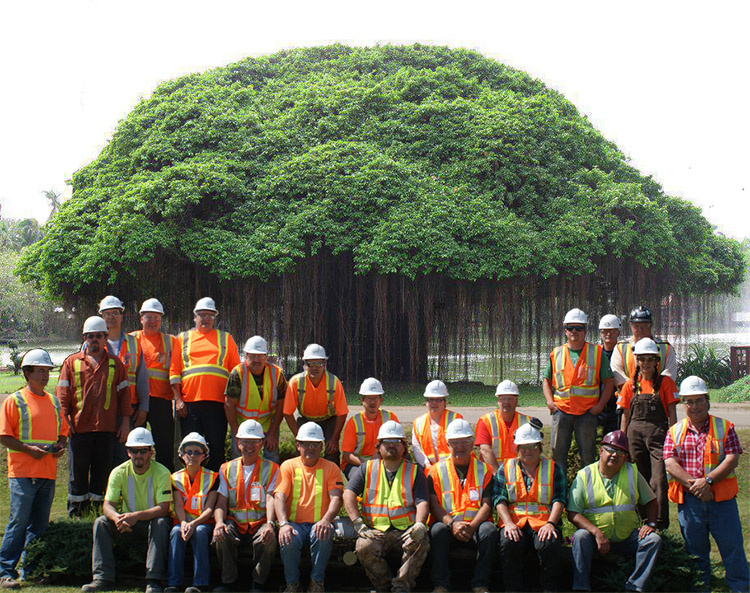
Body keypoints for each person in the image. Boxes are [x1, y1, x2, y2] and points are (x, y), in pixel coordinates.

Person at [663, 375, 749, 593]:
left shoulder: (725, 427)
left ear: (708, 400)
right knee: (695, 550)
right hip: (691, 502)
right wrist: (698, 487)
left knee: (732, 548)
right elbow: (670, 463)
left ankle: (741, 587)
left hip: (722, 501)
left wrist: (708, 481)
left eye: (699, 400)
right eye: (689, 401)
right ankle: (701, 587)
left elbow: (732, 459)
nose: (694, 406)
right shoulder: (674, 431)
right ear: (684, 404)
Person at [0, 349, 67, 590]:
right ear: (27, 373)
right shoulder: (15, 400)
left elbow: (63, 433)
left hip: (47, 472)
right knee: (18, 522)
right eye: (40, 371)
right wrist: (29, 450)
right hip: (22, 473)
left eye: (47, 371)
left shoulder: (53, 402)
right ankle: (5, 571)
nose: (45, 376)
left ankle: (31, 569)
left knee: (39, 524)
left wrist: (60, 446)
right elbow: (4, 437)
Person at [568, 430, 661, 593]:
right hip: (595, 539)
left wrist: (651, 524)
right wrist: (596, 532)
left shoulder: (632, 472)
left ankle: (634, 587)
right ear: (601, 450)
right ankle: (581, 587)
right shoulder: (585, 475)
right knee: (580, 537)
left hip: (628, 537)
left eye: (621, 452)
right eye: (611, 450)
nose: (615, 455)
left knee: (652, 540)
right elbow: (573, 513)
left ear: (625, 457)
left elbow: (651, 500)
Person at [344, 420, 430, 593]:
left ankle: (401, 587)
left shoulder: (414, 471)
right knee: (363, 546)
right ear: (379, 446)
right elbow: (348, 493)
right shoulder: (366, 469)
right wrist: (357, 522)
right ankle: (384, 587)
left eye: (397, 442)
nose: (392, 446)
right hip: (375, 531)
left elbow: (422, 501)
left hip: (406, 531)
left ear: (404, 447)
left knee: (421, 542)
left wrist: (420, 524)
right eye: (387, 442)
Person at [57, 316, 131, 516]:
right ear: (84, 338)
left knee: (101, 473)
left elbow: (125, 397)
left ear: (106, 338)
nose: (94, 340)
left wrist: (125, 422)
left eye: (99, 336)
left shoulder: (115, 364)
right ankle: (77, 513)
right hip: (79, 429)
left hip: (106, 429)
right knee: (77, 474)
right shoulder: (71, 363)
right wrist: (65, 420)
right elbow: (63, 395)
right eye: (91, 337)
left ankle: (97, 512)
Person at [83, 428, 171, 593]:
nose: (138, 455)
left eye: (143, 450)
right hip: (125, 523)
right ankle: (102, 578)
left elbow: (164, 508)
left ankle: (153, 581)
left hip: (150, 523)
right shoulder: (118, 472)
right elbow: (107, 505)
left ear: (151, 452)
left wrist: (136, 516)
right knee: (101, 522)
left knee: (161, 522)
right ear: (128, 452)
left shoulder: (162, 472)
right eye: (134, 450)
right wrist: (117, 519)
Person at [170, 297, 241, 471]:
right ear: (194, 317)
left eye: (209, 315)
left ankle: (215, 489)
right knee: (190, 449)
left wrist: (232, 402)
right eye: (201, 314)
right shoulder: (183, 338)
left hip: (217, 404)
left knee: (216, 447)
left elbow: (237, 373)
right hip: (189, 405)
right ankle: (190, 487)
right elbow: (174, 372)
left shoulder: (225, 339)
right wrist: (178, 400)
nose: (205, 318)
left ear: (215, 318)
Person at [495, 419, 566, 592]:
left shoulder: (553, 469)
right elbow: (499, 499)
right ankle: (513, 589)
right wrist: (508, 524)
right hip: (514, 522)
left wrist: (551, 524)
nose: (528, 451)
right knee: (508, 542)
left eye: (533, 446)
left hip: (543, 523)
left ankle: (549, 588)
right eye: (523, 447)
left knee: (549, 544)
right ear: (517, 449)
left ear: (540, 447)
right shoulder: (505, 468)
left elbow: (559, 499)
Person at [542, 308, 614, 476]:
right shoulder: (556, 353)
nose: (574, 331)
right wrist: (550, 402)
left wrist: (599, 406)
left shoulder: (596, 353)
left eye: (579, 328)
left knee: (587, 458)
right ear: (565, 330)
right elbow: (546, 380)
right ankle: (560, 495)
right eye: (570, 327)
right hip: (562, 412)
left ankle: (587, 495)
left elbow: (608, 383)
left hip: (587, 414)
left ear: (585, 330)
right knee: (558, 456)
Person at [275, 422, 343, 593]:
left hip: (319, 523)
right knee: (287, 538)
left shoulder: (331, 468)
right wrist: (283, 524)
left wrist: (326, 520)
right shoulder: (288, 466)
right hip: (294, 524)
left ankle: (316, 582)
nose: (310, 447)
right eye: (306, 444)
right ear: (298, 445)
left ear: (321, 446)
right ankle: (293, 584)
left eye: (315, 444)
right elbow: (279, 496)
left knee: (323, 534)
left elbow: (336, 497)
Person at [618, 338, 678, 530]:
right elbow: (625, 416)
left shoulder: (666, 383)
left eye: (649, 359)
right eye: (641, 359)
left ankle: (659, 523)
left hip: (659, 435)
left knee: (659, 479)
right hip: (634, 436)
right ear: (636, 361)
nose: (645, 363)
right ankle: (642, 521)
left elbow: (673, 414)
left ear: (656, 361)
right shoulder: (629, 385)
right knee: (639, 479)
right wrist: (622, 441)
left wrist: (674, 439)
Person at [429, 419, 495, 593]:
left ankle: (480, 584)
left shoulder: (485, 470)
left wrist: (472, 527)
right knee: (437, 531)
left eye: (465, 441)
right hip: (449, 527)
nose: (460, 447)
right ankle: (441, 584)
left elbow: (487, 505)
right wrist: (451, 524)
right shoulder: (435, 471)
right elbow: (433, 504)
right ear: (447, 444)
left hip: (475, 527)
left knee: (489, 530)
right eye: (455, 442)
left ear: (472, 443)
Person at [213, 420, 279, 593]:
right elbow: (220, 502)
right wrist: (219, 522)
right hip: (234, 523)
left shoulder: (272, 469)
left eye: (254, 442)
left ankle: (258, 583)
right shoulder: (226, 469)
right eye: (246, 441)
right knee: (221, 536)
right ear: (238, 443)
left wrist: (270, 524)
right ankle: (228, 582)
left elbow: (272, 498)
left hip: (259, 522)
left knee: (269, 540)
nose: (250, 446)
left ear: (261, 444)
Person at [165, 432, 218, 593]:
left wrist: (194, 524)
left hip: (203, 523)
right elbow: (178, 506)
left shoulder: (213, 477)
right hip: (183, 521)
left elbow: (209, 508)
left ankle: (200, 584)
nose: (192, 456)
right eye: (189, 452)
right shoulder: (175, 478)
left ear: (204, 456)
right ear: (182, 454)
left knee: (200, 532)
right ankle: (174, 583)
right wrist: (183, 524)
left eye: (197, 452)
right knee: (175, 533)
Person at [131, 298, 179, 471]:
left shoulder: (171, 341)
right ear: (141, 318)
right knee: (135, 444)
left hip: (161, 401)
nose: (152, 321)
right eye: (149, 317)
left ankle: (166, 482)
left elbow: (175, 371)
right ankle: (135, 481)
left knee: (165, 446)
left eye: (156, 318)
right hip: (136, 401)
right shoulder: (131, 340)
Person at [225, 335, 287, 463]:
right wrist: (237, 434)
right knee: (239, 459)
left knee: (271, 455)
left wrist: (272, 433)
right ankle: (239, 482)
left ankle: (271, 482)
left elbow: (282, 405)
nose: (257, 360)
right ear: (246, 356)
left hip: (268, 424)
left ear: (266, 357)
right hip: (242, 424)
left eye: (260, 356)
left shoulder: (277, 374)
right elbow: (229, 405)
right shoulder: (237, 374)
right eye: (252, 356)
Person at [282, 344, 348, 465]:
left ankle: (332, 480)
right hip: (306, 420)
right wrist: (298, 436)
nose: (314, 368)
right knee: (303, 451)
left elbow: (342, 413)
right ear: (304, 365)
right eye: (310, 364)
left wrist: (334, 439)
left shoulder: (334, 383)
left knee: (331, 451)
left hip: (329, 421)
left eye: (318, 364)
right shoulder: (296, 382)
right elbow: (287, 412)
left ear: (325, 365)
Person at [340, 377, 399, 478]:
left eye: (375, 398)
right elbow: (347, 455)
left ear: (381, 400)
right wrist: (366, 465)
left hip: (384, 461)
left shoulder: (390, 418)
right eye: (369, 398)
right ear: (362, 400)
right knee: (361, 478)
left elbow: (399, 444)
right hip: (357, 464)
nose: (372, 402)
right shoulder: (354, 422)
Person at [610, 305, 676, 390]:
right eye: (636, 326)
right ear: (631, 325)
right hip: (627, 399)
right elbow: (617, 374)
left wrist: (650, 390)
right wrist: (635, 391)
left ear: (651, 325)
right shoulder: (621, 347)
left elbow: (669, 374)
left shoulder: (665, 348)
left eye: (644, 325)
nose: (640, 329)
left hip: (658, 397)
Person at [475, 380, 531, 472]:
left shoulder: (527, 422)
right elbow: (485, 450)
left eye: (510, 399)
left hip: (520, 473)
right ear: (498, 401)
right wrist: (497, 474)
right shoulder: (486, 421)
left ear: (516, 401)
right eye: (503, 399)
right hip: (492, 472)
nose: (506, 402)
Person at [412, 380, 463, 473]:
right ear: (426, 402)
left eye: (438, 399)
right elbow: (416, 448)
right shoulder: (418, 422)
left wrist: (442, 467)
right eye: (431, 399)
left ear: (445, 402)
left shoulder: (456, 419)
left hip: (453, 468)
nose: (434, 403)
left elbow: (459, 447)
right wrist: (427, 465)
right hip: (428, 469)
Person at [597, 314, 623, 434]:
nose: (608, 334)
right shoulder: (595, 354)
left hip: (617, 407)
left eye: (612, 331)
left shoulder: (624, 353)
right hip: (599, 407)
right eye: (604, 331)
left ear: (618, 333)